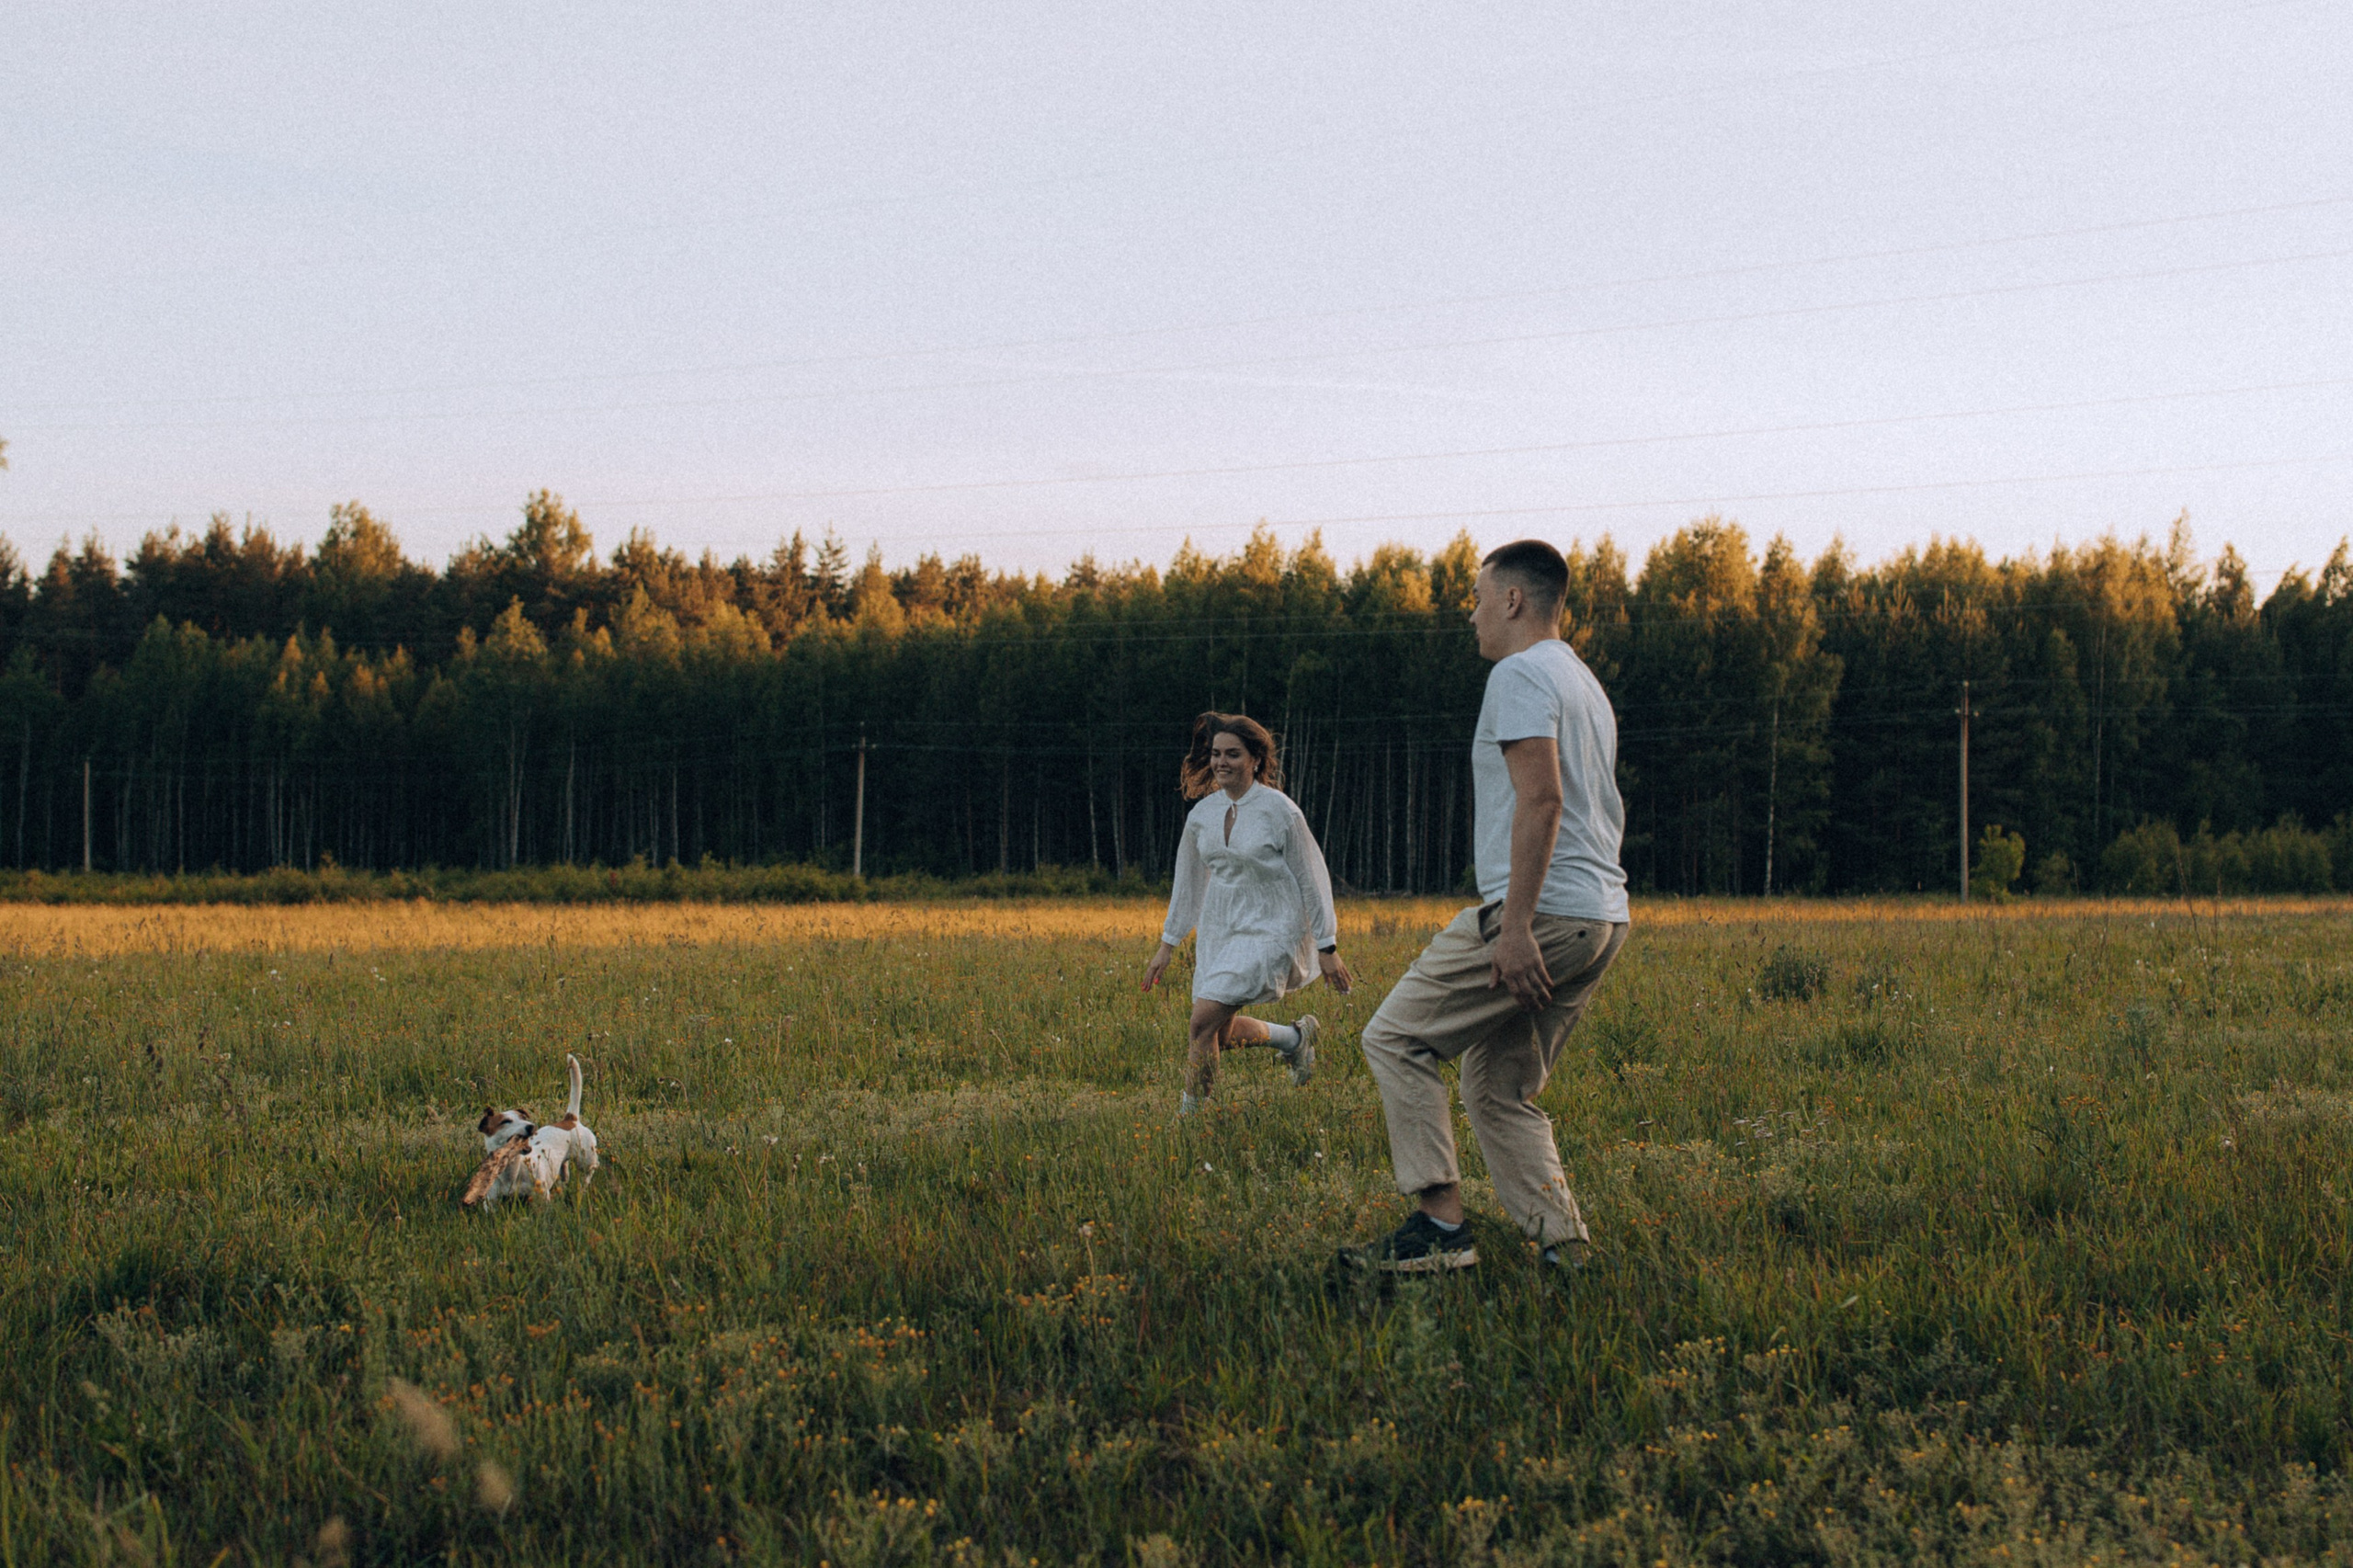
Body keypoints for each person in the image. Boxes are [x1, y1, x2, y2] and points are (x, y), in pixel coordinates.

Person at [1346, 540, 1630, 1273]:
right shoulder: (1583, 683)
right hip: (1601, 916)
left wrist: (1513, 929)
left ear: (1513, 600)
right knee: (1498, 1087)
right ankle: (1564, 1248)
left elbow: (1544, 798)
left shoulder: (1519, 673)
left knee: (1395, 1038)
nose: (1470, 615)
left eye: (1477, 598)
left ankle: (1439, 1232)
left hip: (1541, 915)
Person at [1144, 712, 1354, 1115]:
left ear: (1256, 759)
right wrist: (1167, 945)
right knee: (1218, 1034)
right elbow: (1188, 883)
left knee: (1201, 1023)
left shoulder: (1281, 811)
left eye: (1233, 754)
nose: (1222, 762)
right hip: (1221, 927)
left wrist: (1327, 945)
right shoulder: (1201, 816)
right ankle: (1296, 1039)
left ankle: (1193, 1121)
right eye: (1216, 754)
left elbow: (1313, 878)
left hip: (1275, 926)